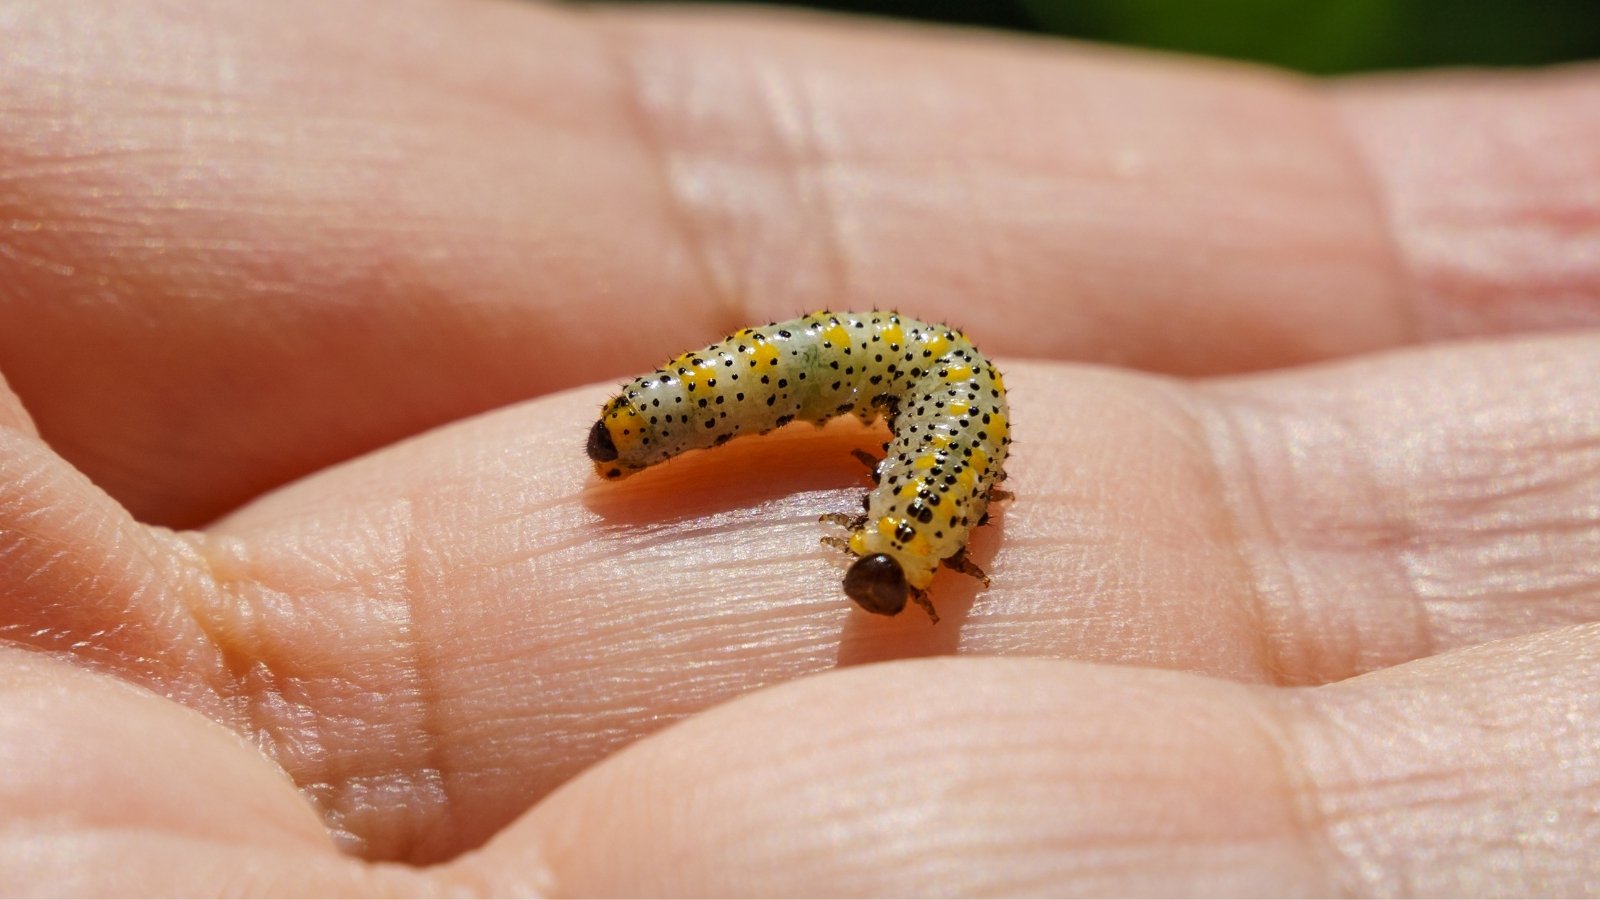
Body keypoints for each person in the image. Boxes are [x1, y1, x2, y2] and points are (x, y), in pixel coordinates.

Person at [1, 1, 1595, 894]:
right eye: (889, 553)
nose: (875, 570)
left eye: (889, 551)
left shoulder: (936, 428)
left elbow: (939, 403)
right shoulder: (925, 426)